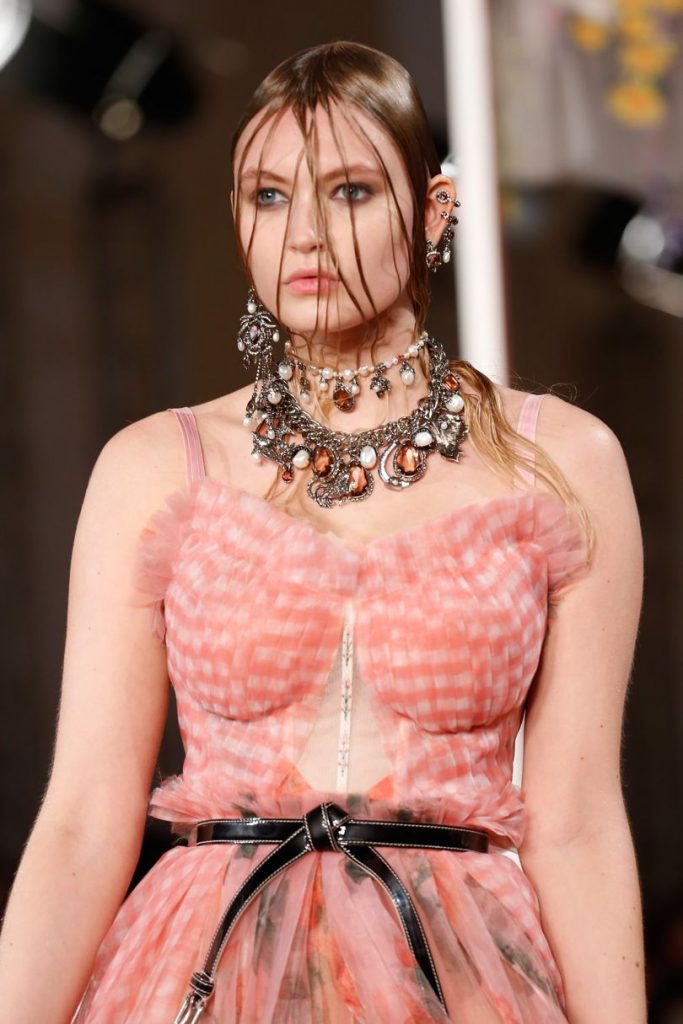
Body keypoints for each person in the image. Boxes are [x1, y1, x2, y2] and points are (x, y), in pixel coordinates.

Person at [0, 40, 646, 1024]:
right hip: (209, 967)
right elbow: (85, 818)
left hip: (458, 975)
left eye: (350, 191)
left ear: (432, 212)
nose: (303, 234)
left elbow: (577, 826)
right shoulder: (157, 465)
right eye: (268, 197)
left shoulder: (560, 461)